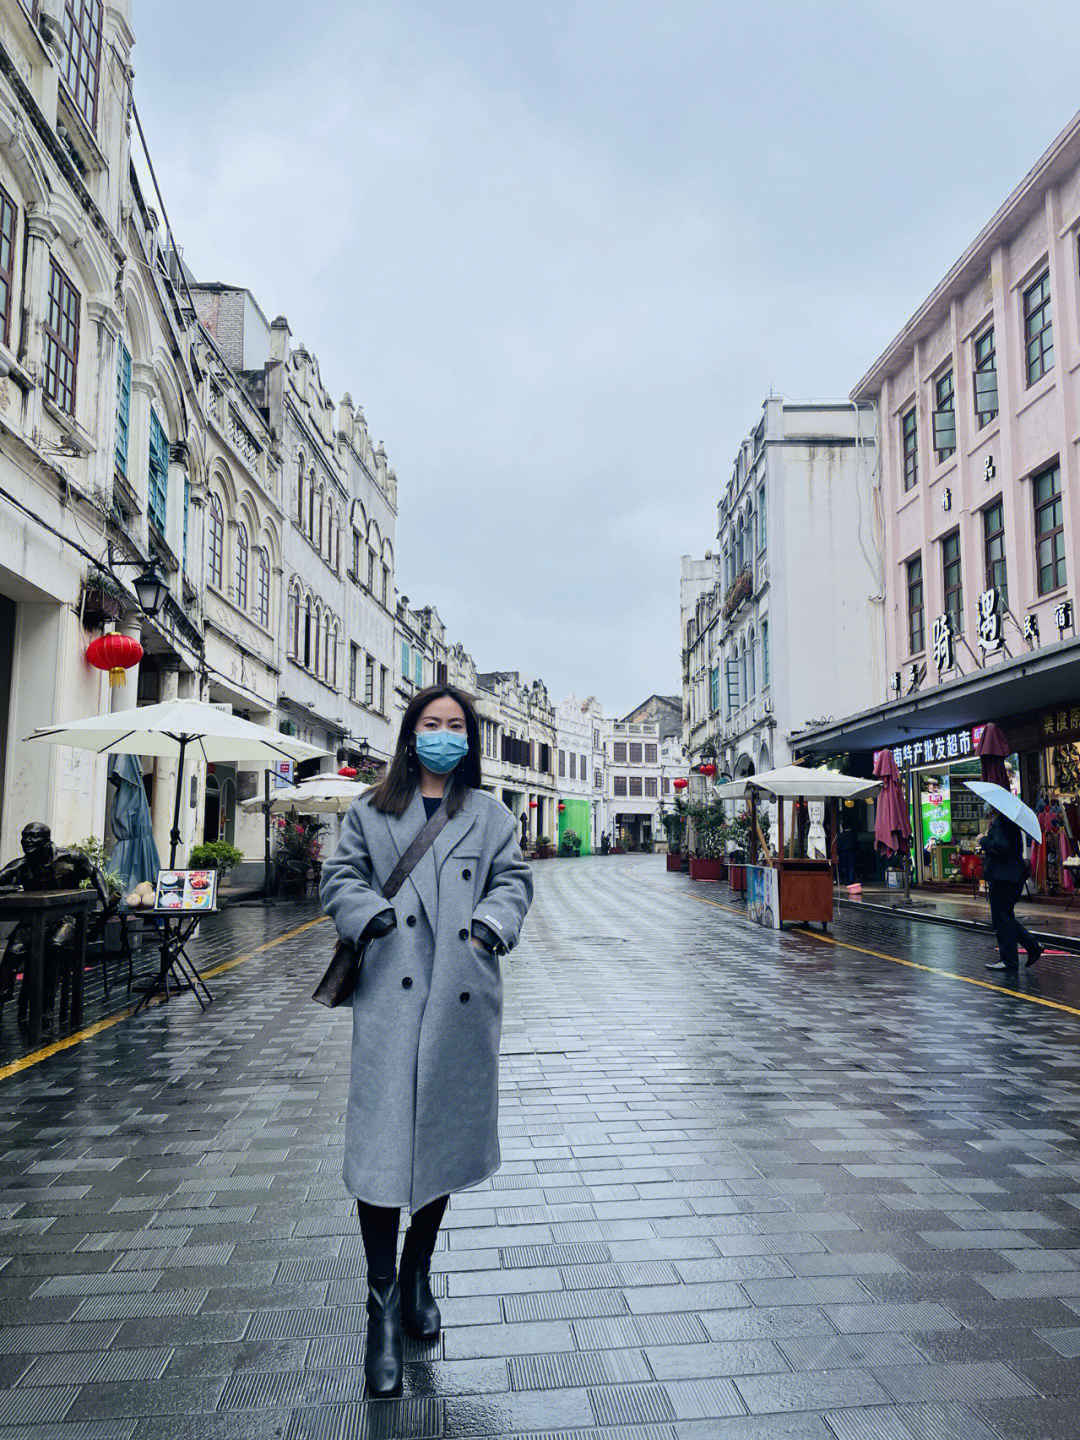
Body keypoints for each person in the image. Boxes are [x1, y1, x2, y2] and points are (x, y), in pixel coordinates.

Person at [320, 685, 534, 1397]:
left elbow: (514, 882)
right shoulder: (370, 812)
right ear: (409, 735)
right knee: (381, 1148)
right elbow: (339, 876)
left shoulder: (492, 816)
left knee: (439, 1138)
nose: (443, 734)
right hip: (389, 994)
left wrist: (488, 928)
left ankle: (418, 1270)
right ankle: (381, 1308)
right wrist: (368, 914)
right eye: (430, 723)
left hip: (458, 998)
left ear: (470, 740)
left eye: (455, 726)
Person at [0, 822, 111, 1028]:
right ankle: (3, 996)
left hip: (66, 919)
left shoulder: (70, 859)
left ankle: (47, 1008)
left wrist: (107, 900)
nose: (27, 842)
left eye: (33, 837)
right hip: (34, 922)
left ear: (46, 839)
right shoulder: (22, 865)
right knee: (13, 952)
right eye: (24, 837)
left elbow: (94, 872)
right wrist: (8, 885)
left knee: (54, 945)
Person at [980, 807, 1043, 973]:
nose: (986, 807)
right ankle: (1032, 946)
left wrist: (983, 840)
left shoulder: (1003, 822)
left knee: (1002, 919)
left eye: (988, 805)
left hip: (1004, 878)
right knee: (1005, 917)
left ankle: (1009, 961)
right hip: (1008, 877)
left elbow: (999, 847)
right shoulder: (1005, 822)